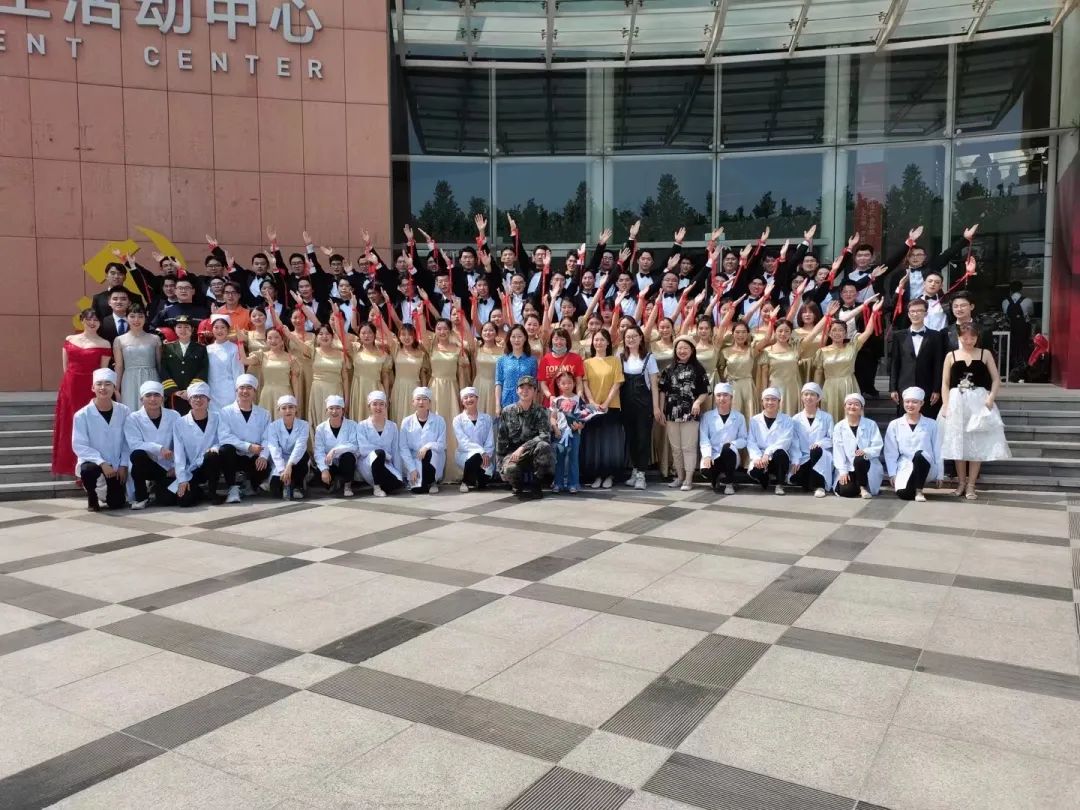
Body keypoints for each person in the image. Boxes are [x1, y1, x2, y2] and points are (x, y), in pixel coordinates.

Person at [939, 323, 1011, 499]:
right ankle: (961, 483)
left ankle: (971, 485)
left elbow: (996, 379)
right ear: (959, 337)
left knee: (977, 443)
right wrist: (946, 404)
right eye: (965, 337)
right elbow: (945, 383)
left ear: (977, 337)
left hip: (978, 401)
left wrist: (991, 398)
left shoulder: (985, 354)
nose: (969, 341)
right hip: (957, 401)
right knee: (958, 443)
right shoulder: (951, 355)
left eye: (972, 337)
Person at [53, 309, 112, 477]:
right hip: (70, 386)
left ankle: (87, 467)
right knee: (69, 423)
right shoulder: (70, 339)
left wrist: (100, 390)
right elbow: (66, 367)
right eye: (88, 319)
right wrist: (67, 386)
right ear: (82, 320)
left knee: (88, 425)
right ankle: (69, 465)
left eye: (96, 320)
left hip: (90, 388)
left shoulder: (104, 344)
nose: (92, 323)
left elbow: (103, 372)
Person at [72, 369, 130, 512]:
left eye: (108, 384)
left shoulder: (124, 411)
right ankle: (92, 497)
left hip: (116, 463)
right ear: (93, 388)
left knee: (116, 503)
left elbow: (127, 441)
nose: (103, 388)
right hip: (94, 462)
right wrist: (101, 462)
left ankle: (112, 494)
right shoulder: (82, 415)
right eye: (99, 384)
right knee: (87, 469)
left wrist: (123, 465)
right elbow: (79, 445)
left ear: (114, 388)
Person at [658, 335, 710, 492]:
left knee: (688, 447)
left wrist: (697, 402)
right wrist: (661, 410)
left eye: (685, 348)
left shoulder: (698, 369)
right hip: (671, 413)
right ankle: (679, 477)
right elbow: (662, 391)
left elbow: (705, 391)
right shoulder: (669, 369)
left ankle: (688, 478)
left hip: (690, 413)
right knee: (676, 448)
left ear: (692, 350)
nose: (682, 351)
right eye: (679, 348)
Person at [123, 380, 180, 509]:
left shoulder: (174, 415)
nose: (153, 399)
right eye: (148, 395)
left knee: (167, 500)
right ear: (141, 399)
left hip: (169, 466)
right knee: (137, 455)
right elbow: (134, 444)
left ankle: (159, 487)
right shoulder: (133, 418)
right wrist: (159, 448)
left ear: (163, 398)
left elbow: (180, 443)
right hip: (146, 466)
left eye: (156, 395)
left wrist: (177, 466)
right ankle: (141, 497)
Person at [497, 375, 555, 498]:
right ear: (517, 390)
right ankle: (517, 485)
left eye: (529, 388)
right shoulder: (507, 411)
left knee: (544, 446)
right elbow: (501, 439)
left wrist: (523, 448)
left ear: (535, 391)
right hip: (513, 453)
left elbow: (545, 435)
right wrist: (500, 464)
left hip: (533, 452)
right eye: (522, 387)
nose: (525, 391)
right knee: (510, 469)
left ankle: (536, 484)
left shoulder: (541, 411)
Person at [619, 324, 661, 490]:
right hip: (626, 404)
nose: (631, 339)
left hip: (644, 405)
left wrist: (656, 407)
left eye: (634, 336)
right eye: (628, 337)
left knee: (643, 438)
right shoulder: (620, 357)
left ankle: (642, 475)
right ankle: (635, 470)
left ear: (640, 338)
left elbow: (654, 385)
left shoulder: (649, 358)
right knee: (631, 438)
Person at [581, 328, 625, 489]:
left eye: (602, 340)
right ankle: (597, 475)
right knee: (595, 443)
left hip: (611, 407)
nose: (599, 343)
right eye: (596, 340)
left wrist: (606, 403)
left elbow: (617, 383)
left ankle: (610, 475)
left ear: (608, 343)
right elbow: (585, 383)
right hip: (593, 408)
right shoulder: (587, 362)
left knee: (610, 443)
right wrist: (592, 402)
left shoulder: (615, 360)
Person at [217, 374, 271, 503]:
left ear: (255, 391)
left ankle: (250, 485)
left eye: (249, 388)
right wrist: (248, 446)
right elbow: (225, 436)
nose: (245, 391)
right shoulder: (225, 411)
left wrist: (263, 456)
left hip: (254, 456)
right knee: (225, 449)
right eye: (241, 388)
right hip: (234, 456)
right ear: (236, 390)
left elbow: (268, 437)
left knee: (264, 464)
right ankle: (232, 488)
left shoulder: (264, 414)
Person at [888, 298, 944, 419]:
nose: (915, 314)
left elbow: (938, 364)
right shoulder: (899, 336)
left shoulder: (936, 336)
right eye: (912, 311)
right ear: (908, 314)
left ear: (926, 313)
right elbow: (894, 363)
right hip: (904, 385)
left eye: (919, 311)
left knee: (928, 419)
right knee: (904, 420)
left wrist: (936, 389)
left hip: (928, 386)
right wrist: (893, 388)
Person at [884, 387, 943, 502]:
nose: (910, 405)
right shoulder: (895, 424)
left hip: (926, 464)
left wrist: (940, 474)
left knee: (920, 455)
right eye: (907, 402)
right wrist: (892, 473)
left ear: (922, 403)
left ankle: (919, 491)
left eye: (914, 402)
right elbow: (890, 452)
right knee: (904, 494)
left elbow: (938, 449)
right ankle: (914, 488)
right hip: (905, 465)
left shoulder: (932, 424)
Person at [172, 382, 223, 507]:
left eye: (202, 396)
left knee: (212, 455)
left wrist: (215, 448)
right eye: (195, 397)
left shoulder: (218, 418)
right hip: (192, 468)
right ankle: (199, 492)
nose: (198, 400)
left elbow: (223, 439)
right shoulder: (180, 423)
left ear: (208, 400)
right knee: (184, 502)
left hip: (212, 464)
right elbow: (179, 453)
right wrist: (182, 479)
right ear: (189, 401)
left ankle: (213, 492)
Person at [833, 393, 884, 499]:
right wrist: (843, 471)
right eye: (849, 404)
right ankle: (856, 485)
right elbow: (838, 451)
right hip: (848, 466)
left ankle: (863, 487)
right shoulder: (839, 426)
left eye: (856, 404)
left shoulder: (871, 424)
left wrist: (866, 451)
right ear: (845, 406)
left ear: (861, 408)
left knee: (860, 458)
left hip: (866, 465)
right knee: (846, 491)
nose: (852, 407)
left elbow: (877, 445)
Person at [699, 382, 747, 495]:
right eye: (719, 395)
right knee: (705, 471)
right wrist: (707, 455)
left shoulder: (739, 417)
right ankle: (717, 477)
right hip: (713, 454)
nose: (722, 398)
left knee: (727, 449)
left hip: (730, 455)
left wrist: (732, 444)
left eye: (725, 395)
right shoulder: (707, 416)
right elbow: (704, 438)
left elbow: (744, 439)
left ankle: (729, 483)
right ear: (715, 398)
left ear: (731, 397)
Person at [112, 304, 161, 411]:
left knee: (152, 410)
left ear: (145, 318)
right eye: (132, 316)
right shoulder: (119, 340)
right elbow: (119, 366)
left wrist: (163, 386)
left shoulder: (155, 339)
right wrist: (116, 388)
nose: (136, 320)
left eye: (140, 316)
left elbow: (159, 364)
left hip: (151, 377)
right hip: (129, 379)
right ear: (126, 317)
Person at [747, 388, 795, 495]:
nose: (770, 402)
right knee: (755, 472)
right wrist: (757, 457)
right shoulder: (754, 420)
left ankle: (779, 484)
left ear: (779, 402)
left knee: (780, 453)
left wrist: (767, 453)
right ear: (762, 402)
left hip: (777, 456)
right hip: (760, 455)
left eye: (774, 399)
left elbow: (785, 441)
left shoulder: (787, 420)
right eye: (767, 399)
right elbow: (751, 441)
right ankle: (764, 477)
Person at [398, 387, 446, 494]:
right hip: (415, 460)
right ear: (413, 402)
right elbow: (403, 448)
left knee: (429, 451)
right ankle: (419, 480)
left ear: (430, 403)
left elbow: (442, 445)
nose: (421, 402)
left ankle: (432, 482)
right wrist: (412, 469)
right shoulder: (406, 422)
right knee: (418, 490)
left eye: (425, 399)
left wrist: (427, 446)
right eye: (418, 399)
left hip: (433, 457)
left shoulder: (439, 420)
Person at [357, 391, 406, 497]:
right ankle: (377, 487)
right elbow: (363, 449)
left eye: (381, 404)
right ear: (369, 406)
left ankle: (385, 483)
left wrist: (399, 472)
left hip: (386, 465)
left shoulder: (392, 426)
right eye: (374, 404)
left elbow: (395, 450)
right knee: (379, 453)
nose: (378, 407)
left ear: (385, 406)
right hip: (368, 463)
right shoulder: (362, 425)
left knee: (397, 484)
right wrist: (385, 454)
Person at [791, 382, 834, 497]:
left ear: (818, 398)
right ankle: (809, 482)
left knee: (816, 451)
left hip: (820, 454)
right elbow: (794, 442)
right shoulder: (795, 419)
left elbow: (831, 438)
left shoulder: (827, 417)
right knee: (799, 480)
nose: (808, 397)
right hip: (803, 456)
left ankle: (820, 486)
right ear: (802, 397)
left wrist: (820, 444)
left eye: (812, 394)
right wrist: (796, 458)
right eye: (806, 394)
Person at [158, 315, 209, 415]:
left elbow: (203, 370)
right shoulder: (167, 348)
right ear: (174, 329)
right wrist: (174, 391)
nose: (183, 330)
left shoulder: (201, 348)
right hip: (174, 395)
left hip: (194, 395)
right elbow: (163, 370)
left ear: (192, 329)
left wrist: (191, 390)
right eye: (179, 327)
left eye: (186, 327)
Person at [550, 370, 589, 494]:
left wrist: (580, 425)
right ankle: (558, 483)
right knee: (559, 457)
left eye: (569, 383)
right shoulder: (556, 400)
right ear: (558, 384)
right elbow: (553, 417)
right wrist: (555, 428)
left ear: (574, 384)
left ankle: (573, 483)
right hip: (560, 433)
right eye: (563, 383)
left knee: (573, 458)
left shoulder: (579, 400)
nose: (566, 385)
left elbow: (584, 417)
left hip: (574, 433)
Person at [265, 395, 310, 500]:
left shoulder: (304, 425)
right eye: (284, 408)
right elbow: (274, 449)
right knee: (275, 490)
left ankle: (298, 485)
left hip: (297, 459)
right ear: (279, 411)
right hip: (280, 459)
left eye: (291, 407)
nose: (288, 411)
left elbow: (300, 446)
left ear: (296, 409)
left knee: (303, 456)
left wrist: (289, 464)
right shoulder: (273, 426)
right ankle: (287, 484)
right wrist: (282, 470)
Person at [315, 394, 360, 497]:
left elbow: (354, 446)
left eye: (338, 408)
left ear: (343, 410)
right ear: (326, 411)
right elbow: (318, 451)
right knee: (320, 476)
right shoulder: (320, 428)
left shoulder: (352, 425)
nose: (334, 411)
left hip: (346, 462)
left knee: (348, 456)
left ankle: (347, 485)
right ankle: (336, 481)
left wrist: (335, 450)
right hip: (330, 463)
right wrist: (324, 469)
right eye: (331, 408)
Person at [454, 387, 495, 493]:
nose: (469, 399)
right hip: (465, 454)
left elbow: (490, 440)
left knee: (484, 481)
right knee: (475, 456)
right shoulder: (458, 420)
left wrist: (486, 455)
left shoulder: (487, 418)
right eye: (465, 398)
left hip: (485, 457)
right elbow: (463, 442)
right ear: (462, 401)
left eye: (472, 396)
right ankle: (465, 482)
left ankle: (475, 479)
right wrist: (481, 452)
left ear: (477, 398)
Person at [495, 324, 537, 415]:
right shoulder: (502, 360)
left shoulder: (532, 360)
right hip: (507, 402)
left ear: (525, 338)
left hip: (526, 402)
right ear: (509, 339)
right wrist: (497, 405)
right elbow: (498, 383)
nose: (516, 340)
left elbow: (535, 384)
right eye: (513, 337)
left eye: (519, 336)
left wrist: (533, 403)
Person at [206, 314, 244, 411]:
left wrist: (239, 394)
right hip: (211, 392)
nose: (219, 331)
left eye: (223, 327)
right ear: (212, 329)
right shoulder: (207, 349)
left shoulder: (234, 348)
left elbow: (238, 373)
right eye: (216, 327)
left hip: (229, 393)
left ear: (228, 330)